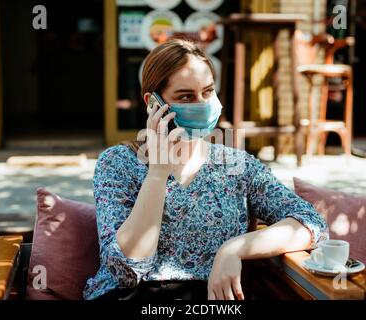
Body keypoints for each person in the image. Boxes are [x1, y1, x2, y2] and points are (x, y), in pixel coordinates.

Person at [83, 39, 328, 301]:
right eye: (186, 96)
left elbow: (311, 224)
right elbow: (127, 272)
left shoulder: (237, 166)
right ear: (153, 103)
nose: (201, 104)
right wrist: (158, 172)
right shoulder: (117, 163)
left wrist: (234, 248)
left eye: (208, 92)